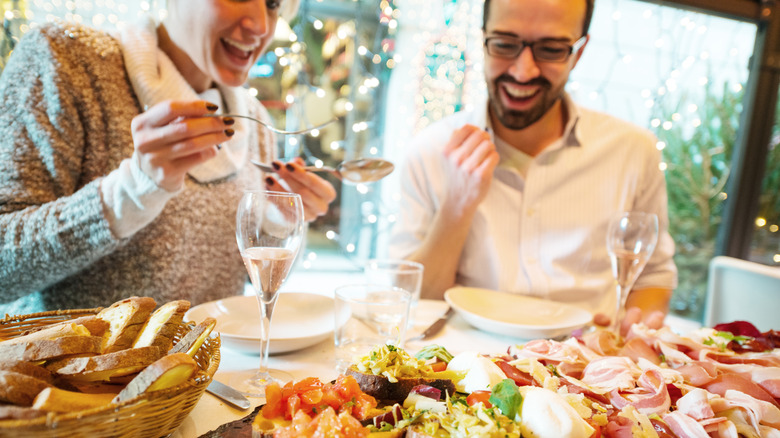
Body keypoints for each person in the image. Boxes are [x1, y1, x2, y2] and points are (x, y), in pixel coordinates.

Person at [0, 0, 337, 316]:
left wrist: (276, 226)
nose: (262, 26)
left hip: (206, 377)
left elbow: (254, 283)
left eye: (273, 3)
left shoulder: (254, 121)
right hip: (72, 378)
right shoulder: (66, 60)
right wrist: (129, 193)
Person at [389, 0, 677, 332]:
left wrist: (632, 333)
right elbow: (413, 301)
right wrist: (457, 205)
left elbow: (653, 276)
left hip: (585, 367)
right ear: (483, 42)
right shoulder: (430, 151)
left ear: (577, 54)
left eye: (551, 49)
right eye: (504, 45)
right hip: (466, 368)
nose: (523, 71)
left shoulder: (633, 151)